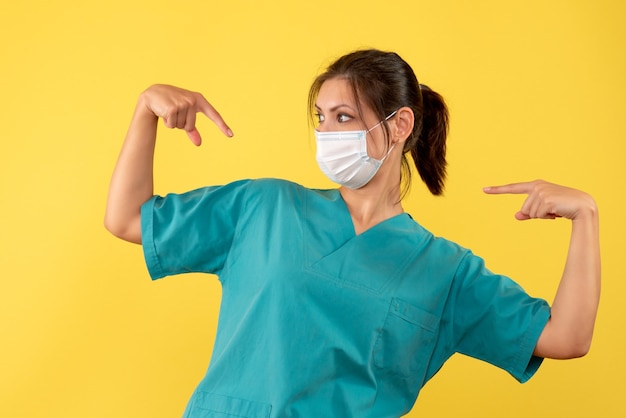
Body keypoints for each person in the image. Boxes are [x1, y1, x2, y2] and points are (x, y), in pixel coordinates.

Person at [104, 49, 600, 417]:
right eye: (321, 119)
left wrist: (586, 217)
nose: (327, 134)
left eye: (344, 118)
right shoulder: (265, 207)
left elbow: (566, 337)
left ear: (400, 123)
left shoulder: (444, 271)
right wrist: (145, 111)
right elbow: (128, 219)